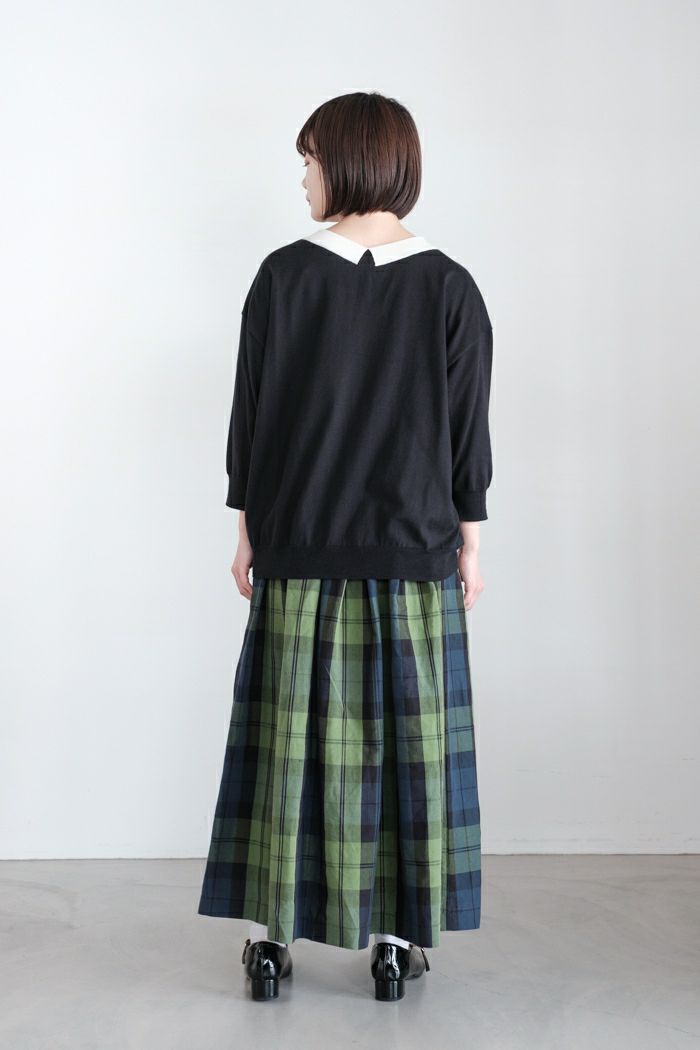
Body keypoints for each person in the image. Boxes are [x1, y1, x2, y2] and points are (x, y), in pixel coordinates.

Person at [197, 90, 493, 1003]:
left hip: (300, 553)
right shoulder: (449, 285)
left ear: (351, 163)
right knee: (410, 758)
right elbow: (467, 437)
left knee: (290, 755)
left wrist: (247, 529)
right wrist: (469, 544)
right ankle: (397, 945)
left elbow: (251, 424)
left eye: (311, 161)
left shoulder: (283, 278)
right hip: (412, 558)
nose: (304, 178)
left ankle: (271, 942)